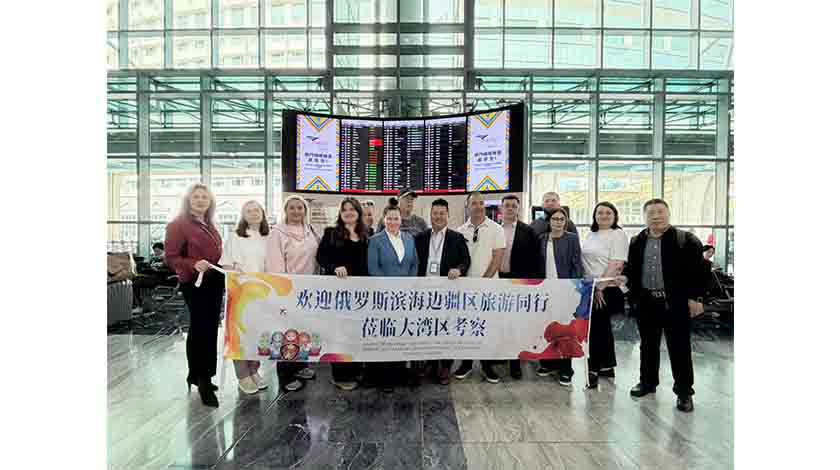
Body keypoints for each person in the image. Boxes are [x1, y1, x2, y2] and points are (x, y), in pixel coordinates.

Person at [619, 199, 705, 413]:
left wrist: (696, 298)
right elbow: (632, 271)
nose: (656, 216)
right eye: (651, 213)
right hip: (647, 302)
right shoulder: (637, 241)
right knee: (648, 346)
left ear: (668, 214)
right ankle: (647, 383)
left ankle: (684, 392)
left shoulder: (686, 239)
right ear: (644, 217)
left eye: (660, 212)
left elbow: (699, 272)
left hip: (676, 303)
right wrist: (629, 288)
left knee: (679, 348)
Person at [165, 183, 224, 408]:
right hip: (194, 282)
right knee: (200, 328)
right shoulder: (178, 224)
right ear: (188, 200)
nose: (200, 200)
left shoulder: (209, 224)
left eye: (204, 198)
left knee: (209, 328)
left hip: (214, 280)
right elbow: (170, 257)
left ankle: (198, 374)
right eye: (196, 197)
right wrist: (193, 263)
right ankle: (203, 380)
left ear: (210, 202)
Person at [264, 196, 320, 393]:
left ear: (305, 210)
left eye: (300, 208)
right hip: (287, 289)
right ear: (285, 210)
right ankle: (286, 375)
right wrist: (284, 290)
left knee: (303, 330)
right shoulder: (277, 233)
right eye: (292, 208)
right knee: (286, 332)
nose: (296, 211)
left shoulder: (310, 230)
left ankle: (300, 366)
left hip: (307, 289)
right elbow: (274, 263)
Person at [415, 199, 471, 385]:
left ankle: (446, 366)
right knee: (427, 327)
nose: (438, 217)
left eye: (441, 213)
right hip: (424, 292)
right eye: (435, 213)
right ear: (430, 215)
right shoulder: (420, 237)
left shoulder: (457, 237)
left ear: (448, 215)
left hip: (448, 291)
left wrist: (459, 270)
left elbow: (466, 261)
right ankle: (430, 363)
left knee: (446, 328)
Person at [316, 197, 370, 391]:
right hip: (338, 293)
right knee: (339, 334)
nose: (348, 212)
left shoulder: (367, 234)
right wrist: (334, 267)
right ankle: (340, 375)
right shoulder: (331, 233)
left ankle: (356, 369)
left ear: (358, 213)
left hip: (361, 294)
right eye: (344, 209)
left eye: (352, 209)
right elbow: (321, 257)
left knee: (356, 332)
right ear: (340, 213)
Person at [219, 200, 272, 395]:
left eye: (256, 210)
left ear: (262, 213)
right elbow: (226, 263)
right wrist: (237, 277)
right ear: (243, 215)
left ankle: (253, 370)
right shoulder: (235, 236)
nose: (253, 213)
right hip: (241, 291)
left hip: (264, 291)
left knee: (258, 333)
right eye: (248, 211)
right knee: (240, 332)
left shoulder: (269, 236)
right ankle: (242, 375)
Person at [453, 191, 506, 384]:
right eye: (474, 203)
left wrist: (483, 282)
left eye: (481, 203)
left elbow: (497, 259)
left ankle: (487, 365)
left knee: (488, 327)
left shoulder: (496, 229)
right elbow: (458, 260)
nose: (478, 206)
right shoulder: (459, 231)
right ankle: (466, 363)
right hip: (465, 289)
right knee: (467, 326)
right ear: (467, 206)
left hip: (489, 287)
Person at [368, 203, 419, 393]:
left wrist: (408, 285)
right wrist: (390, 288)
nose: (392, 221)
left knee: (402, 334)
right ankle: (386, 377)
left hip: (405, 297)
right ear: (384, 220)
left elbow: (414, 264)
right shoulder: (375, 240)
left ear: (401, 220)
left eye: (396, 218)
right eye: (389, 218)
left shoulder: (409, 238)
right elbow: (373, 268)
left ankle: (400, 373)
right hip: (384, 297)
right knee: (386, 336)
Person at [581, 202, 629, 389]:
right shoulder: (591, 234)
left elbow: (617, 263)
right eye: (600, 212)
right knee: (602, 328)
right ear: (594, 215)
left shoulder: (617, 234)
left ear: (615, 215)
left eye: (608, 212)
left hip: (606, 288)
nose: (604, 215)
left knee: (595, 329)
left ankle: (593, 369)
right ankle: (607, 366)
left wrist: (599, 288)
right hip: (590, 286)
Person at [535, 207, 584, 386]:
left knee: (564, 330)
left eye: (561, 219)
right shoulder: (541, 239)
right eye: (554, 219)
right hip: (544, 290)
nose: (558, 222)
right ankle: (547, 364)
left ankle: (565, 369)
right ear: (549, 221)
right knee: (545, 328)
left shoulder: (572, 238)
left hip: (565, 290)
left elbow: (577, 264)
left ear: (566, 221)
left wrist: (574, 287)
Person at [497, 194, 540, 380]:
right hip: (498, 281)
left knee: (516, 324)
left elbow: (535, 259)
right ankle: (500, 356)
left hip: (518, 282)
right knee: (500, 322)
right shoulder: (494, 229)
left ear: (518, 209)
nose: (510, 208)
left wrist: (530, 285)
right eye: (506, 205)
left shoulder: (528, 231)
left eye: (513, 206)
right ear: (501, 209)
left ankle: (515, 362)